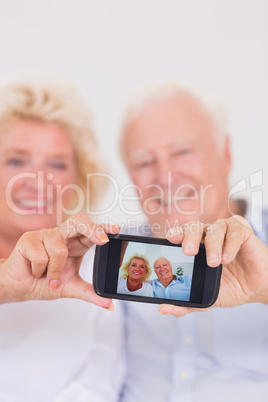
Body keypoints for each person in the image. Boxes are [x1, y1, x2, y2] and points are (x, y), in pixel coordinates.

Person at [119, 82, 268, 402]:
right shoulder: (115, 254)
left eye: (183, 152)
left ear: (225, 154)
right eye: (145, 162)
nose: (166, 175)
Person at [0, 78, 125, 402]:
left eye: (57, 164)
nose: (38, 180)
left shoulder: (96, 275)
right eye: (16, 161)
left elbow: (97, 388)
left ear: (77, 179)